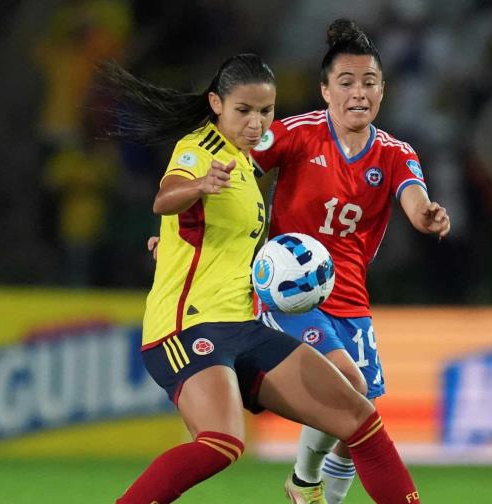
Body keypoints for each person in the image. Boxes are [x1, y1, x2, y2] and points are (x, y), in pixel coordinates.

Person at [104, 55, 421, 504]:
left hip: (244, 324)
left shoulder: (243, 164)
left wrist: (171, 241)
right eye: (244, 111)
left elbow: (208, 233)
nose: (256, 123)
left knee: (360, 417)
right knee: (222, 442)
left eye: (266, 112)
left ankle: (311, 486)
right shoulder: (200, 150)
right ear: (216, 103)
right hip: (187, 325)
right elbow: (166, 197)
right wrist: (194, 188)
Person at [249, 20, 450, 504]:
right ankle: (302, 480)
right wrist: (188, 229)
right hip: (290, 292)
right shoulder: (295, 135)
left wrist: (427, 215)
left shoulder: (397, 154)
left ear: (383, 90)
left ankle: (315, 493)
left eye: (368, 83)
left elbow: (414, 199)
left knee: (357, 413)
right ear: (325, 90)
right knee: (351, 386)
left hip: (351, 298)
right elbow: (236, 170)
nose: (358, 93)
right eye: (346, 83)